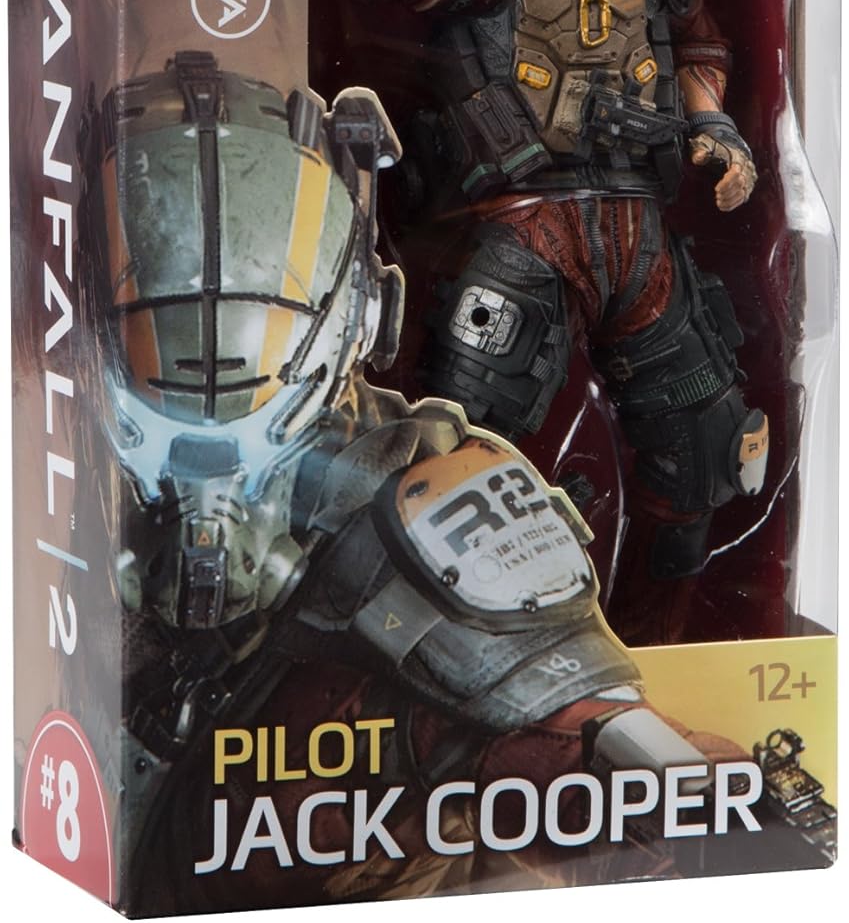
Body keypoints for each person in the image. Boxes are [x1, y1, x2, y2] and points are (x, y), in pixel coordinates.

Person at [80, 53, 749, 909]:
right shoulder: (60, 449)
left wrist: (693, 800)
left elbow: (588, 736)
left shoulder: (422, 491)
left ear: (365, 317)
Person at [318, 0, 766, 645]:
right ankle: (470, 648)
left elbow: (694, 42)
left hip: (636, 229)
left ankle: (660, 643)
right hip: (524, 229)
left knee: (700, 444)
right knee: (459, 453)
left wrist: (713, 130)